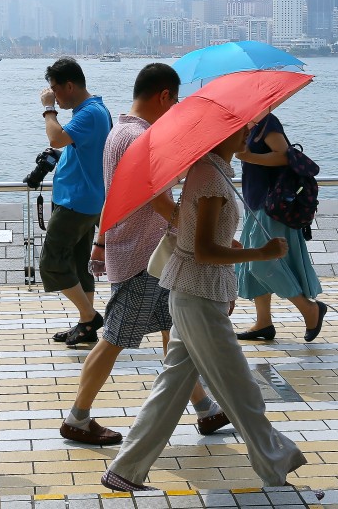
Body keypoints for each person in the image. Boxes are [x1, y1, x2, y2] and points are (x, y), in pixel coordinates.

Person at [102, 125, 306, 492]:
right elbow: (203, 252)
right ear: (218, 136)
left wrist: (234, 243)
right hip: (197, 296)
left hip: (193, 292)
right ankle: (276, 468)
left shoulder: (209, 172)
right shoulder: (211, 179)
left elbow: (198, 234)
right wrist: (260, 252)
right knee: (241, 389)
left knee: (171, 388)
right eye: (239, 130)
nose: (247, 133)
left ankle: (125, 470)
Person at [60, 63, 229, 446]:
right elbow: (156, 198)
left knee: (177, 331)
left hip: (138, 251)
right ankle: (77, 417)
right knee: (115, 337)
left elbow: (123, 193)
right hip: (143, 257)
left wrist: (102, 243)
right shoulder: (141, 138)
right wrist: (186, 224)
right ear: (163, 96)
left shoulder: (120, 131)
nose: (176, 108)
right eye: (175, 100)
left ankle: (205, 409)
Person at [38, 57, 112, 346]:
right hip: (84, 198)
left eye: (55, 89)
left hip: (76, 201)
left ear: (70, 85)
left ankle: (89, 315)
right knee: (80, 265)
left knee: (51, 262)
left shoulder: (90, 113)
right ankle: (85, 326)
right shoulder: (91, 110)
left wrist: (48, 109)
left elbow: (56, 138)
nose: (53, 95)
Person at [234, 113, 326, 342]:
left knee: (261, 263)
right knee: (251, 266)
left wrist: (247, 156)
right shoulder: (249, 124)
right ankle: (263, 322)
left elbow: (284, 156)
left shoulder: (267, 122)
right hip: (253, 203)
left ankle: (309, 309)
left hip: (270, 206)